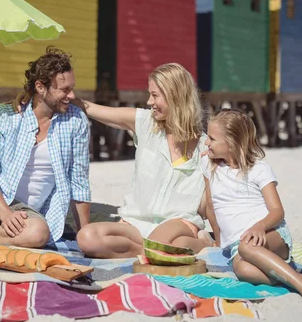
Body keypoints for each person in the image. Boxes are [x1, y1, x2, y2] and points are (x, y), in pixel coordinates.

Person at [202, 109, 302, 299]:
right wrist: (220, 241)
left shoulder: (259, 170)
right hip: (237, 247)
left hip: (270, 235)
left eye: (211, 139)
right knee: (242, 269)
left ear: (231, 143)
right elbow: (211, 206)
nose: (206, 142)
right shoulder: (209, 165)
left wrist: (260, 227)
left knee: (246, 248)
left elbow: (277, 211)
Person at [72, 63, 214, 258]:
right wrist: (73, 100)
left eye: (155, 95)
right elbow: (100, 111)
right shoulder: (146, 123)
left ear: (175, 95)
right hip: (135, 222)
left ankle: (188, 245)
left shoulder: (206, 146)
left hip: (177, 222)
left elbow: (212, 200)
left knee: (158, 242)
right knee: (86, 237)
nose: (149, 101)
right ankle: (158, 253)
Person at [0, 46, 91, 250]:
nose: (71, 96)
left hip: (27, 213)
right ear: (40, 87)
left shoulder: (76, 120)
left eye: (72, 88)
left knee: (39, 234)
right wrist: (5, 214)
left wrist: (85, 236)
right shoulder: (3, 116)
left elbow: (79, 181)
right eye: (64, 89)